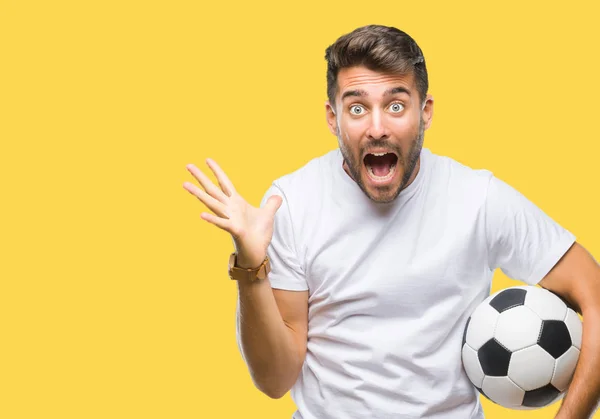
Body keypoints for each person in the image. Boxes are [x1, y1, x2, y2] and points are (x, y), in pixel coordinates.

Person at [183, 25, 600, 419]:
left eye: (396, 105)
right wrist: (250, 269)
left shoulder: (479, 198)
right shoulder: (290, 202)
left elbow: (594, 295)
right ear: (333, 118)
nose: (377, 128)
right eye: (358, 108)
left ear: (426, 111)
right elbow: (275, 380)